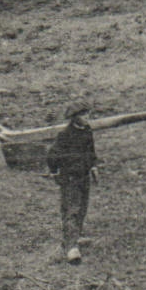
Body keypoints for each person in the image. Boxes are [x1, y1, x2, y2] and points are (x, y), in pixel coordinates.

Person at [46, 105, 98, 264]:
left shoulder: (87, 131)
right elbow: (52, 155)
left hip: (84, 176)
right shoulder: (65, 135)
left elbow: (91, 151)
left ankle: (75, 236)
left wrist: (93, 166)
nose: (87, 118)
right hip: (70, 178)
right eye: (83, 115)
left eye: (88, 114)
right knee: (71, 210)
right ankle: (71, 248)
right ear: (74, 117)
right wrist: (55, 172)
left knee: (82, 208)